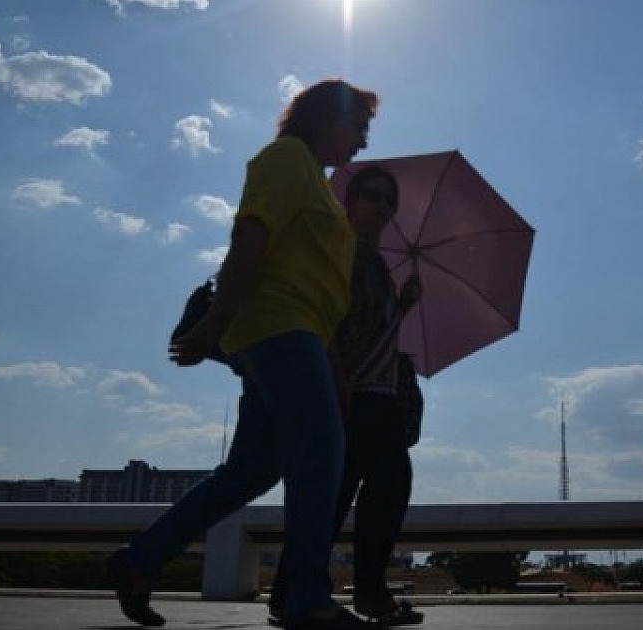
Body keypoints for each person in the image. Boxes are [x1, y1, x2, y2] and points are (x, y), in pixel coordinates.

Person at [107, 78, 383, 630]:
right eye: (359, 126)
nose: (363, 142)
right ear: (327, 118)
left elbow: (313, 283)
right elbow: (250, 240)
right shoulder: (284, 159)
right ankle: (306, 596)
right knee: (320, 454)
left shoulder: (317, 186)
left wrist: (332, 364)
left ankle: (141, 560)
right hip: (278, 329)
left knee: (252, 470)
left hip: (299, 334)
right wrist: (214, 323)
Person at [271, 166, 424, 627]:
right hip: (351, 388)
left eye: (389, 200)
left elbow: (371, 325)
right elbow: (327, 316)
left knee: (343, 490)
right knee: (380, 484)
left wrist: (402, 306)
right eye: (372, 196)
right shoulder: (343, 253)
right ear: (351, 200)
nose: (382, 206)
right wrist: (333, 374)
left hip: (376, 391)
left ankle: (292, 591)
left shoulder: (377, 264)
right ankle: (365, 593)